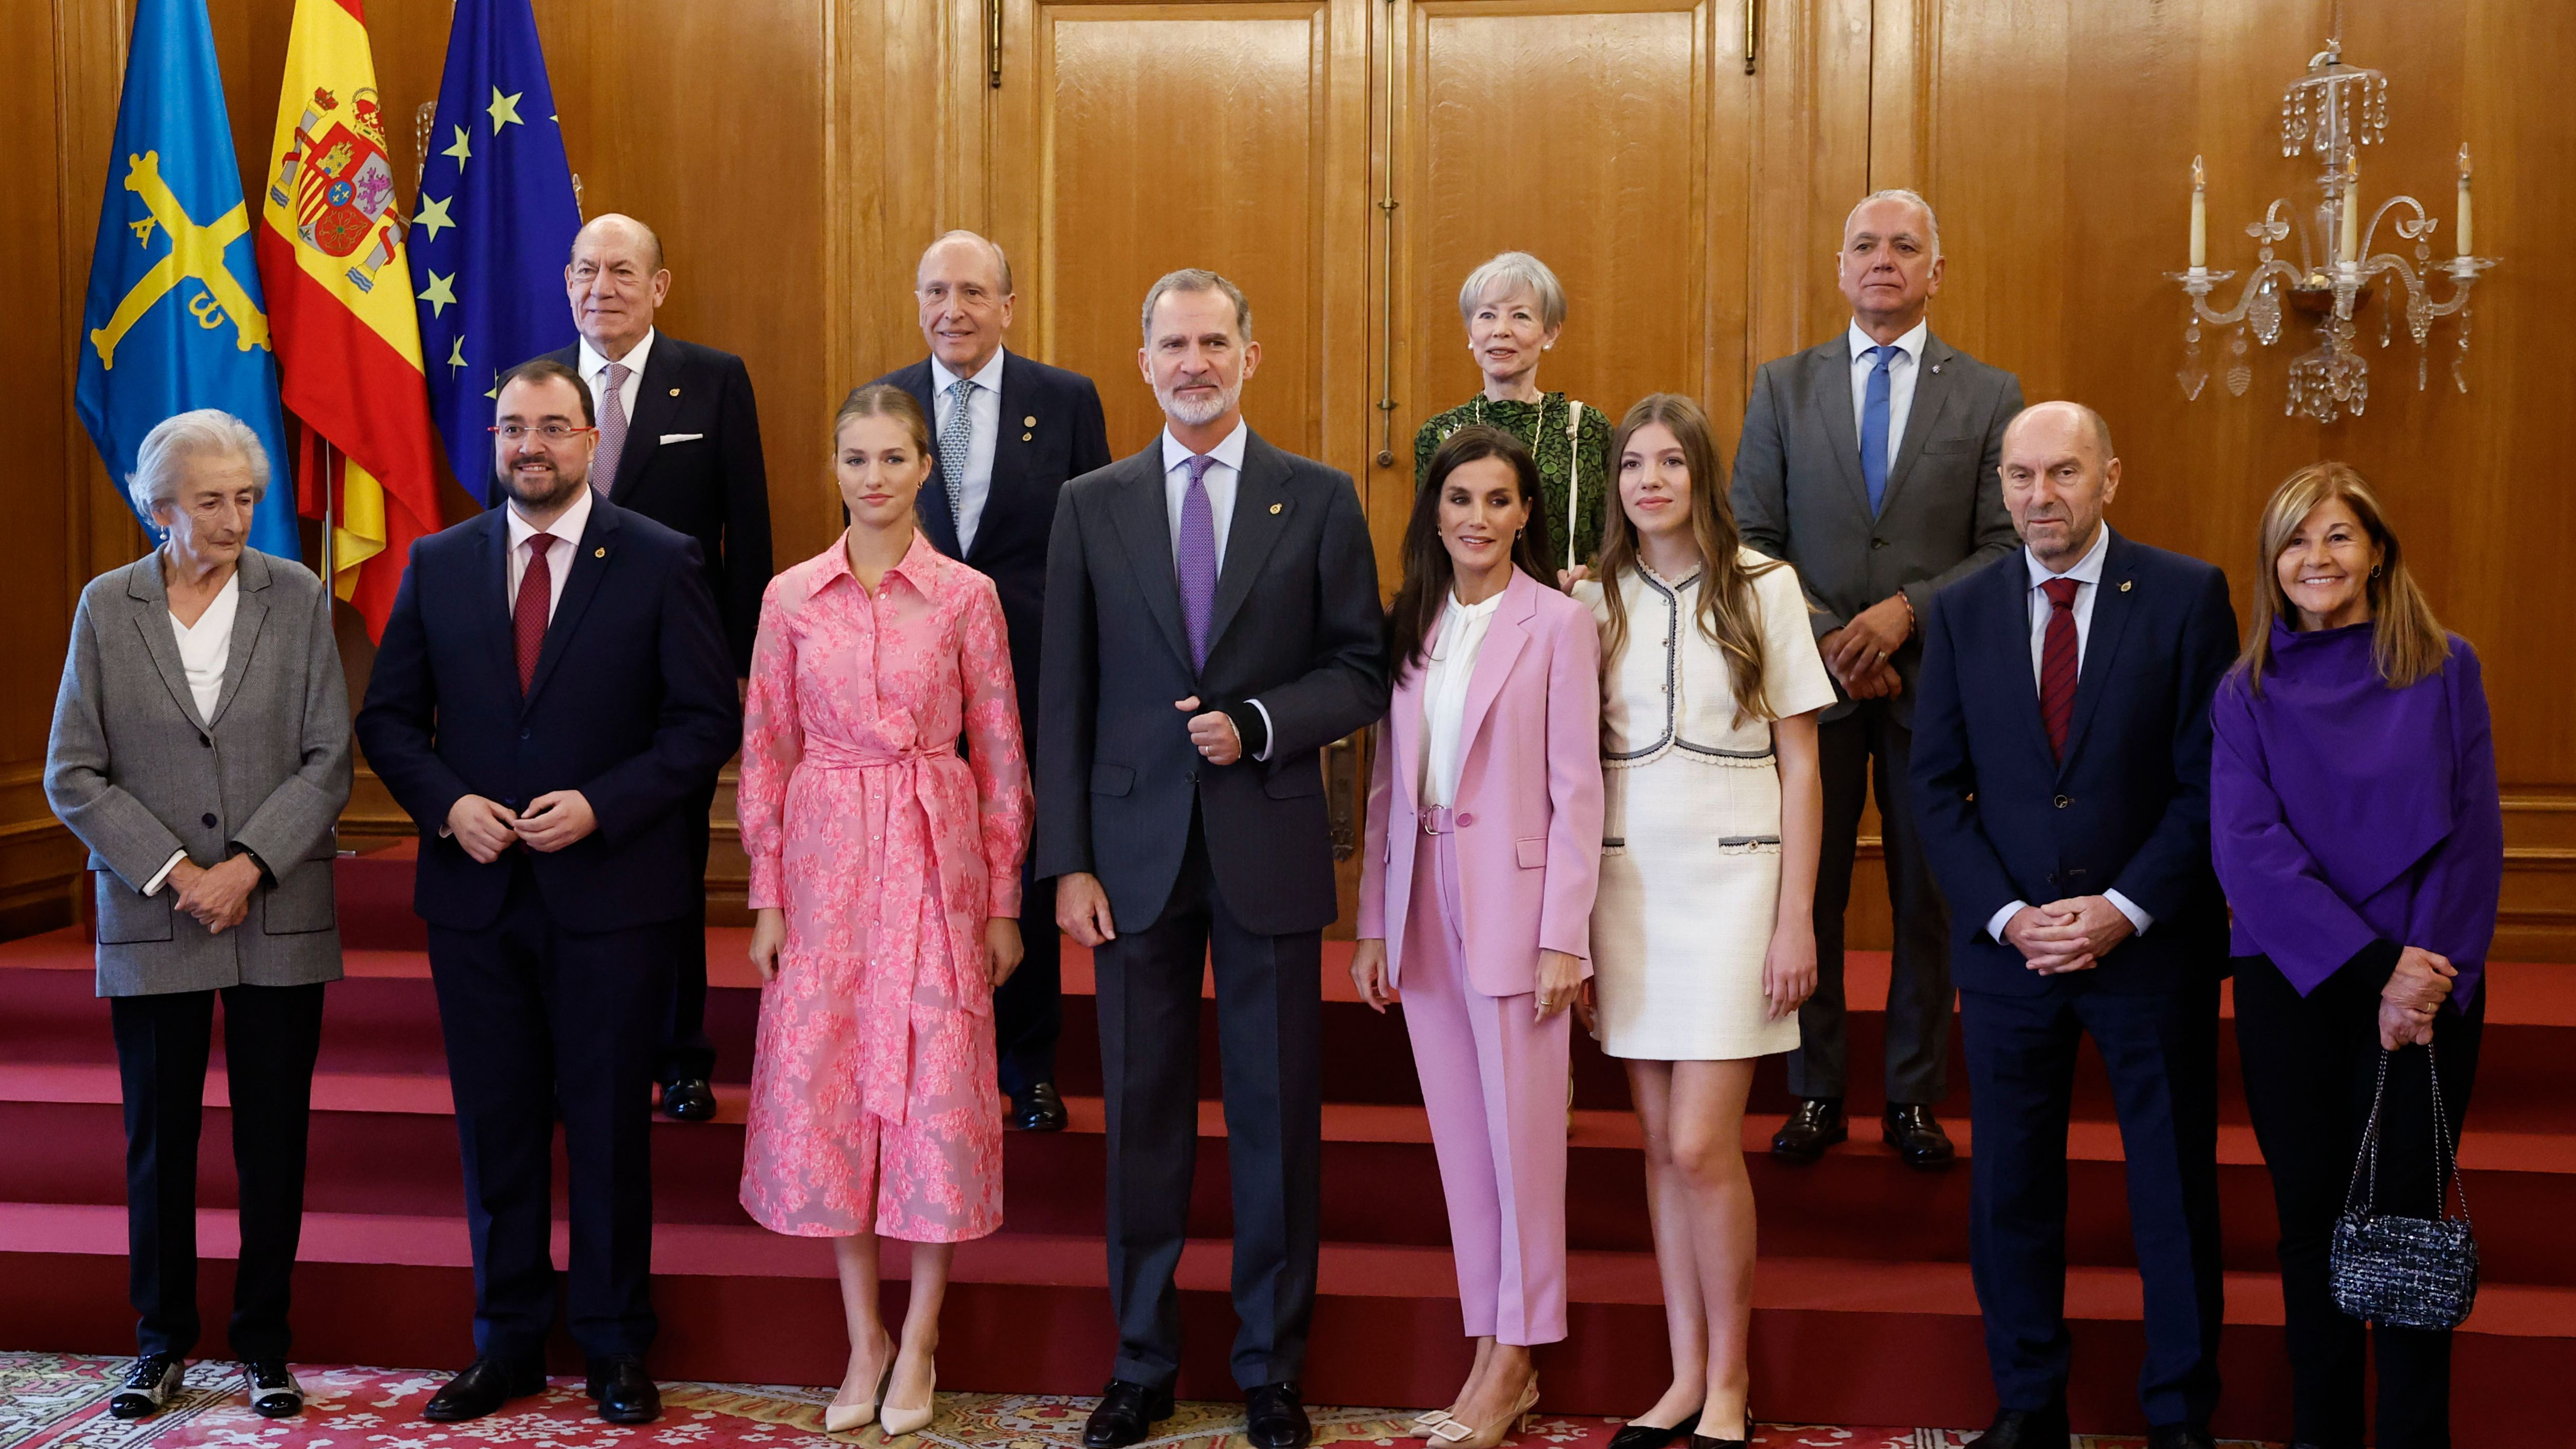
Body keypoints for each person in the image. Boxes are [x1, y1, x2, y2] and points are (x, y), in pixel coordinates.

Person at [1039, 269, 1388, 1449]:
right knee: (1139, 1113)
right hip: (1129, 860)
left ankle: (1269, 1366)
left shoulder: (1320, 498)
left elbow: (1357, 669)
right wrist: (1067, 861)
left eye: (1214, 341)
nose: (1193, 362)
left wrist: (1258, 720)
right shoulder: (1089, 503)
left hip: (1268, 843)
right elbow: (1064, 696)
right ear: (1142, 361)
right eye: (1172, 344)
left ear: (1251, 353)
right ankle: (1139, 1360)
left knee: (1276, 1115)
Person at [354, 358, 740, 1426]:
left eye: (554, 428)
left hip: (611, 896)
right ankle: (508, 1342)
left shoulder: (660, 562)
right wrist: (448, 804)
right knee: (499, 1126)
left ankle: (617, 1345)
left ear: (588, 441)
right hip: (476, 896)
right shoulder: (438, 563)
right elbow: (387, 719)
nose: (531, 446)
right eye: (513, 428)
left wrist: (603, 805)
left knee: (612, 1126)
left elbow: (705, 721)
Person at [1909, 402, 2235, 1449]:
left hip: (2149, 946)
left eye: (2061, 473)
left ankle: (2179, 1412)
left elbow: (2208, 783)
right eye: (2019, 476)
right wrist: (2010, 917)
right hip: (2011, 957)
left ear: (2111, 477)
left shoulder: (2187, 596)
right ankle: (2029, 1401)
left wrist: (2122, 909)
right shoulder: (1959, 608)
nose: (2038, 496)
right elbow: (1936, 789)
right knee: (2010, 1188)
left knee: (2173, 1192)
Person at [735, 383, 1033, 1438]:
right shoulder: (789, 597)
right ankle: (863, 1333)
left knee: (930, 1094)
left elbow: (1000, 754)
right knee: (836, 1098)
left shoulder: (965, 595)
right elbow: (764, 750)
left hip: (934, 855)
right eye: (855, 458)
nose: (874, 478)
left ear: (923, 469)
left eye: (893, 458)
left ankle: (923, 1331)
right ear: (836, 468)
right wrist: (767, 891)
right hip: (822, 865)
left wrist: (1001, 900)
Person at [43, 410, 351, 1423]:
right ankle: (159, 1344)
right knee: (158, 1141)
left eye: (246, 498)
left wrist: (250, 865)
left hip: (277, 910)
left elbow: (327, 758)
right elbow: (72, 772)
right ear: (159, 507)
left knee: (274, 1140)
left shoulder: (298, 594)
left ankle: (266, 1345)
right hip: (156, 912)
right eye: (211, 501)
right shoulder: (105, 604)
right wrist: (179, 869)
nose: (234, 518)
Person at [1730, 189, 2023, 1169]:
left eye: (1905, 247)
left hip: (1933, 684)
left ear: (1935, 271)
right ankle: (1815, 1085)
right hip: (1811, 691)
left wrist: (1905, 617)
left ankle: (1912, 1095)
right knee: (1803, 893)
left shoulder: (1988, 394)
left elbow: (2003, 541)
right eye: (1865, 245)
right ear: (1842, 267)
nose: (1883, 261)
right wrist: (1829, 636)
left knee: (1924, 897)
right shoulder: (1782, 387)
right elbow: (1752, 540)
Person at [2211, 463, 2500, 1449]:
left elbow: (2473, 832)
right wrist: (2379, 967)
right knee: (2311, 1226)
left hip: (2432, 983)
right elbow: (2247, 848)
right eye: (2295, 540)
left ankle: (2416, 1438)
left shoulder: (2446, 665)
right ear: (2272, 563)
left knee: (2409, 1226)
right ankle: (2321, 1435)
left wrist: (2420, 977)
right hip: (2296, 980)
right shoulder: (2244, 690)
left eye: (2337, 536)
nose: (2315, 558)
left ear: (2376, 551)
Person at [1574, 394, 1834, 1449]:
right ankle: (1683, 1374)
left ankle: (1731, 1379)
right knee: (1654, 1146)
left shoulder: (1765, 585)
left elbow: (1804, 762)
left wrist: (1797, 921)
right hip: (1625, 883)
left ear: (1703, 475)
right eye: (1633, 464)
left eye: (1670, 462)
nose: (1649, 481)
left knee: (1699, 1143)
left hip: (1736, 886)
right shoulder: (1589, 596)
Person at [1350, 427, 1603, 1448]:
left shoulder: (1559, 622)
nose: (1478, 518)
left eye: (1499, 500)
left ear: (1525, 513)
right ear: (1435, 511)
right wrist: (1372, 918)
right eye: (1461, 498)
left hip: (1515, 900)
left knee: (1525, 1143)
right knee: (1464, 1142)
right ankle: (1488, 1339)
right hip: (1422, 897)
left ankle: (1518, 1353)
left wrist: (1565, 935)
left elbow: (1580, 787)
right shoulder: (1414, 618)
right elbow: (1383, 783)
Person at [871, 229, 1112, 1133]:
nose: (953, 310)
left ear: (1008, 306)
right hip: (916, 687)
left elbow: (1097, 544)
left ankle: (1031, 1066)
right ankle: (931, 1063)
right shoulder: (888, 402)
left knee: (1022, 866)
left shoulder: (1065, 399)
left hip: (1035, 672)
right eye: (937, 291)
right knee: (923, 875)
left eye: (973, 292)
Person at [536, 212, 773, 1124]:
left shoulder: (713, 381)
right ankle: (573, 1049)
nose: (604, 286)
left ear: (659, 287)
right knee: (562, 862)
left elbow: (744, 529)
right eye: (588, 269)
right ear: (567, 282)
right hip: (555, 667)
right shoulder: (539, 385)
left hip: (679, 670)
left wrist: (751, 660)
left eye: (624, 271)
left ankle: (680, 1056)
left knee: (668, 865)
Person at [1413, 252, 1611, 573]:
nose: (1501, 330)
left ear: (1551, 333)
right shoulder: (1439, 433)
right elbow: (1427, 547)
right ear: (1470, 331)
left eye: (1520, 316)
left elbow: (1612, 540)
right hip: (1470, 607)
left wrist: (1592, 578)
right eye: (1487, 316)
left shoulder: (1585, 427)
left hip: (1564, 608)